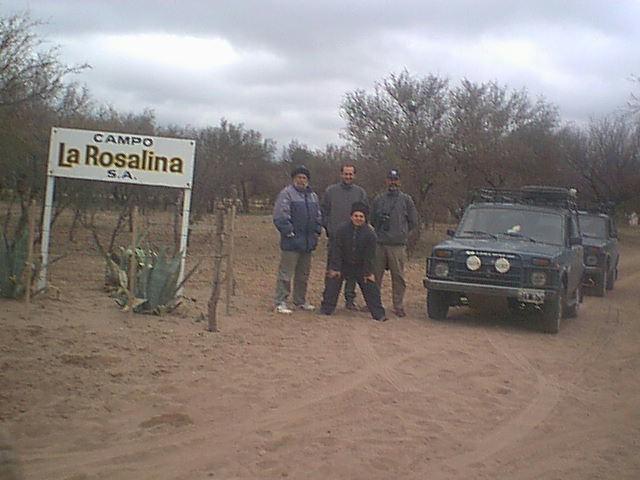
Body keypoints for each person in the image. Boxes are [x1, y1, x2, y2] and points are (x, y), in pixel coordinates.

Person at [320, 202, 386, 321]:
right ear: (351, 216)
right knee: (332, 281)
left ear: (365, 218)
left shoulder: (370, 234)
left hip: (361, 266)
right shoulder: (341, 230)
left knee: (371, 286)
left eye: (361, 216)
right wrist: (335, 268)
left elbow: (369, 256)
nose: (358, 219)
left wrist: (368, 273)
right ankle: (326, 309)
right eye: (356, 216)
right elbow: (336, 250)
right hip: (343, 264)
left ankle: (379, 314)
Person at [273, 165, 323, 314]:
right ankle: (280, 301)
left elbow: (318, 215)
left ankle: (300, 300)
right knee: (286, 273)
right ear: (294, 179)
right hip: (291, 242)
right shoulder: (286, 194)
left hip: (308, 242)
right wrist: (289, 232)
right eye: (299, 177)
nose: (301, 180)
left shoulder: (313, 196)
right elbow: (280, 216)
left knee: (303, 274)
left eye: (304, 178)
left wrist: (317, 231)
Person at [371, 169, 418, 317]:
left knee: (398, 277)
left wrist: (402, 233)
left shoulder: (406, 200)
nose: (393, 182)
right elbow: (372, 220)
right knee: (375, 275)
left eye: (395, 179)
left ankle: (398, 305)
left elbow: (413, 221)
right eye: (390, 179)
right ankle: (373, 303)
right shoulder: (379, 199)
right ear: (386, 181)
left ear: (399, 181)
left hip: (397, 245)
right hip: (380, 243)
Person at [321, 164, 368, 310]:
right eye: (346, 174)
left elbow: (365, 214)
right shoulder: (330, 191)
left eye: (351, 174)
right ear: (341, 174)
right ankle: (328, 299)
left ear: (355, 175)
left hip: (354, 239)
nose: (348, 177)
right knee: (332, 269)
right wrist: (328, 228)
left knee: (352, 272)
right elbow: (323, 212)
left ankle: (349, 299)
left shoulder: (360, 192)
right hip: (335, 238)